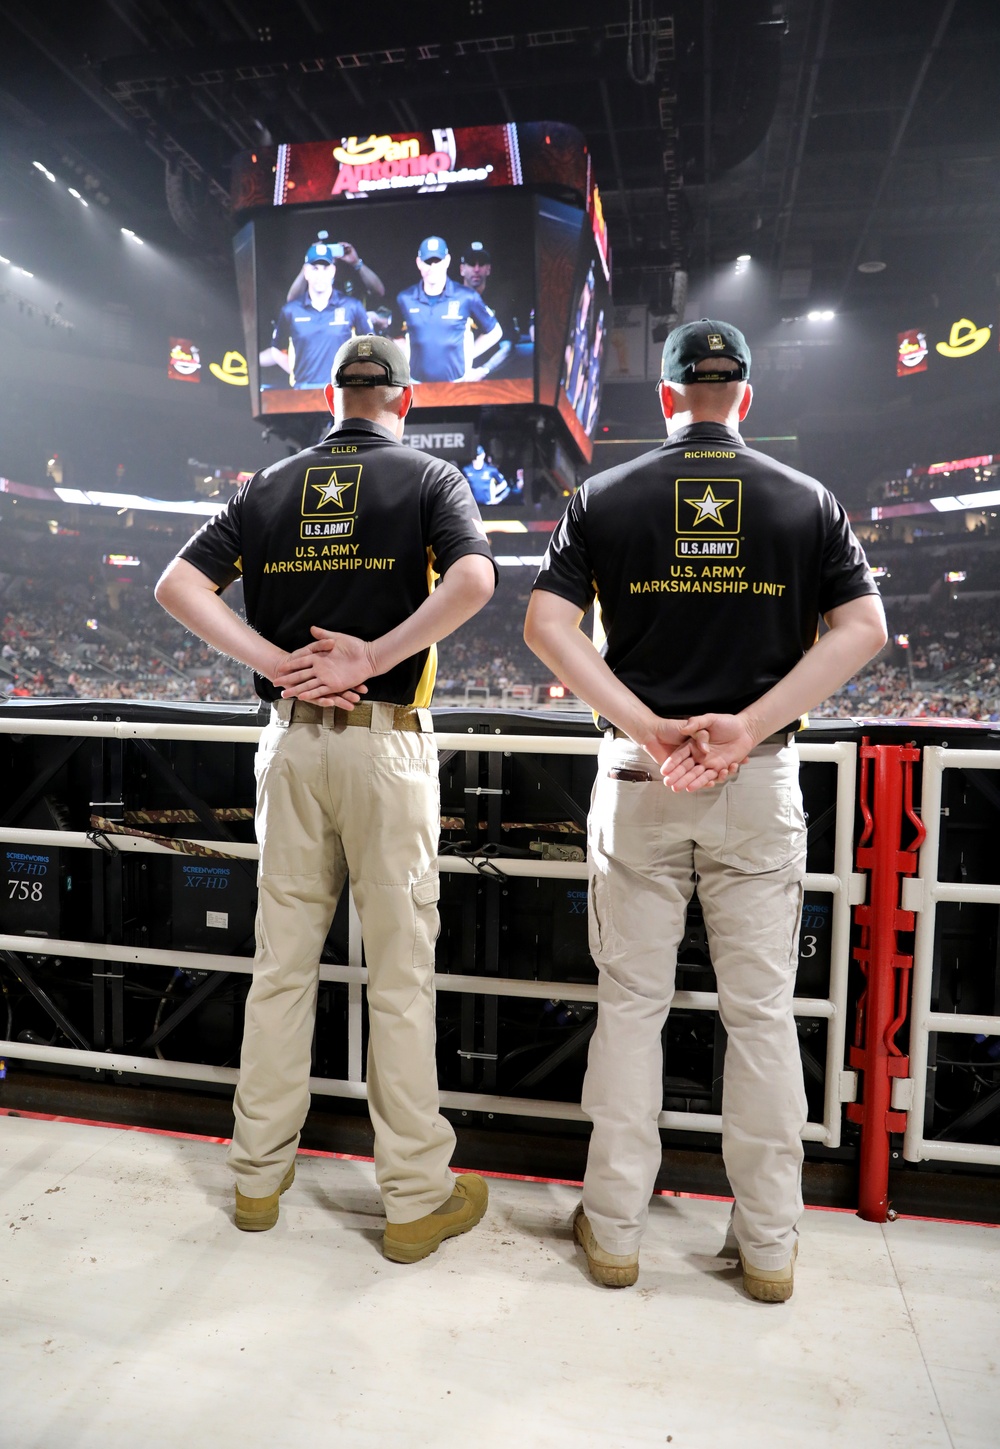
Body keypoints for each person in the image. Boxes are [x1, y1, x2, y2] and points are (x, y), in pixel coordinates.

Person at [524, 318, 887, 1302]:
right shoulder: (806, 500)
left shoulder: (602, 496)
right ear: (747, 398)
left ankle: (612, 1230)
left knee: (630, 1008)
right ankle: (767, 1246)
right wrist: (749, 724)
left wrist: (647, 727)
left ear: (667, 397)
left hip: (641, 781)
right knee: (762, 1016)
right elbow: (864, 627)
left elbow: (544, 623)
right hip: (756, 776)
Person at [155, 335, 497, 1262]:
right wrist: (376, 656)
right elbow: (475, 578)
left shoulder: (269, 486)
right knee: (399, 975)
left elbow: (174, 582)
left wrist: (277, 665)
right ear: (406, 399)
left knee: (281, 968)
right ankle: (416, 1197)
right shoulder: (430, 479)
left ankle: (258, 1182)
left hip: (292, 746)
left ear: (329, 399)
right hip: (385, 746)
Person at [260, 239, 371, 388]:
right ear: (306, 272)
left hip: (341, 392)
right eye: (315, 268)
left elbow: (370, 345)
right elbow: (277, 349)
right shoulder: (291, 311)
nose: (320, 274)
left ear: (333, 271)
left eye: (325, 268)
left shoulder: (352, 306)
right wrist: (298, 374)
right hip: (304, 393)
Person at [395, 236, 502, 382]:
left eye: (437, 261)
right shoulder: (405, 299)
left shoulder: (466, 296)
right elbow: (393, 334)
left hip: (456, 384)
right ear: (419, 263)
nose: (433, 268)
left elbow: (495, 332)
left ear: (447, 261)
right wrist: (408, 355)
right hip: (417, 384)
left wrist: (468, 355)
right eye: (428, 262)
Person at [284, 232, 386, 308]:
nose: (328, 252)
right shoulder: (313, 275)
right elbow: (292, 301)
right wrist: (309, 261)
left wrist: (356, 263)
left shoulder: (349, 270)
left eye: (332, 248)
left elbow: (379, 291)